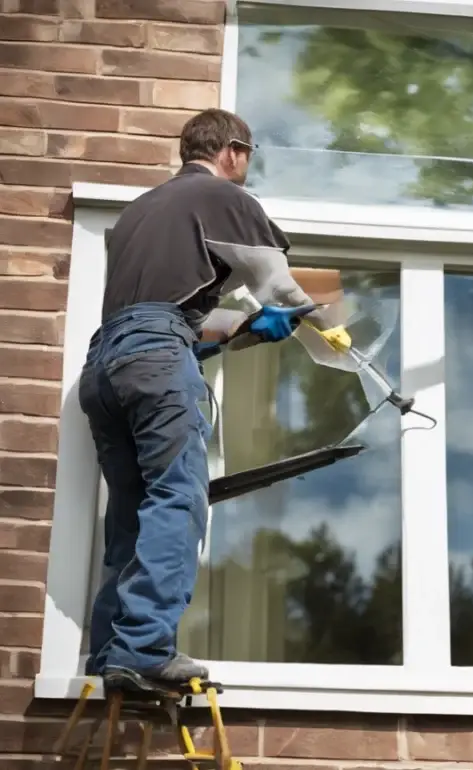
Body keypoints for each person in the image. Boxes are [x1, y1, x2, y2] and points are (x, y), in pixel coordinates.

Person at [79, 108, 319, 688]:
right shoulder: (225, 198)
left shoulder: (141, 211)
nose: (247, 167)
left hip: (106, 365)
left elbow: (166, 312)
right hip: (156, 357)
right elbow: (279, 286)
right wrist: (329, 332)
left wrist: (240, 329)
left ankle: (113, 656)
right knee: (178, 498)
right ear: (233, 150)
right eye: (250, 154)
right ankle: (142, 650)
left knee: (133, 515)